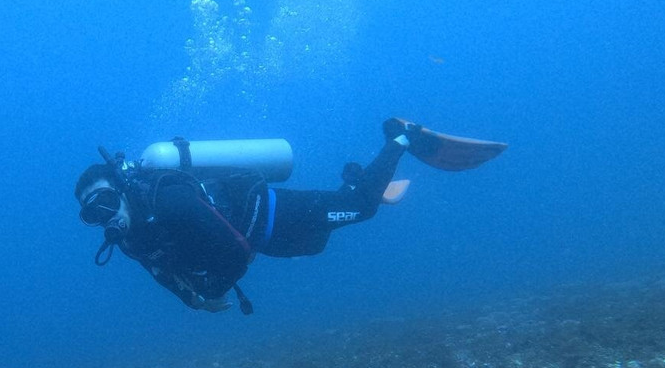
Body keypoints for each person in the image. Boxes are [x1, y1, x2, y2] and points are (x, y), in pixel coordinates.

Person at [75, 118, 507, 314]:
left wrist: (211, 290)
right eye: (93, 216)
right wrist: (191, 298)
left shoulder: (168, 199)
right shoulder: (129, 239)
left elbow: (232, 251)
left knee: (362, 210)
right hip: (269, 240)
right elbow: (161, 272)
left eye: (106, 204)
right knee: (320, 242)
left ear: (122, 193)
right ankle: (355, 185)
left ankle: (401, 139)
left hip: (273, 214)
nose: (105, 219)